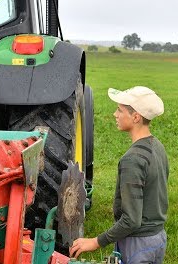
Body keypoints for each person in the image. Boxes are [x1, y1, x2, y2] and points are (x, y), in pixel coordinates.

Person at [70, 86, 168, 263]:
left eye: (120, 110)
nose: (115, 114)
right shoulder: (158, 147)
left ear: (136, 117)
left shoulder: (132, 160)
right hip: (157, 239)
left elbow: (131, 221)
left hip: (137, 245)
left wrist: (96, 242)